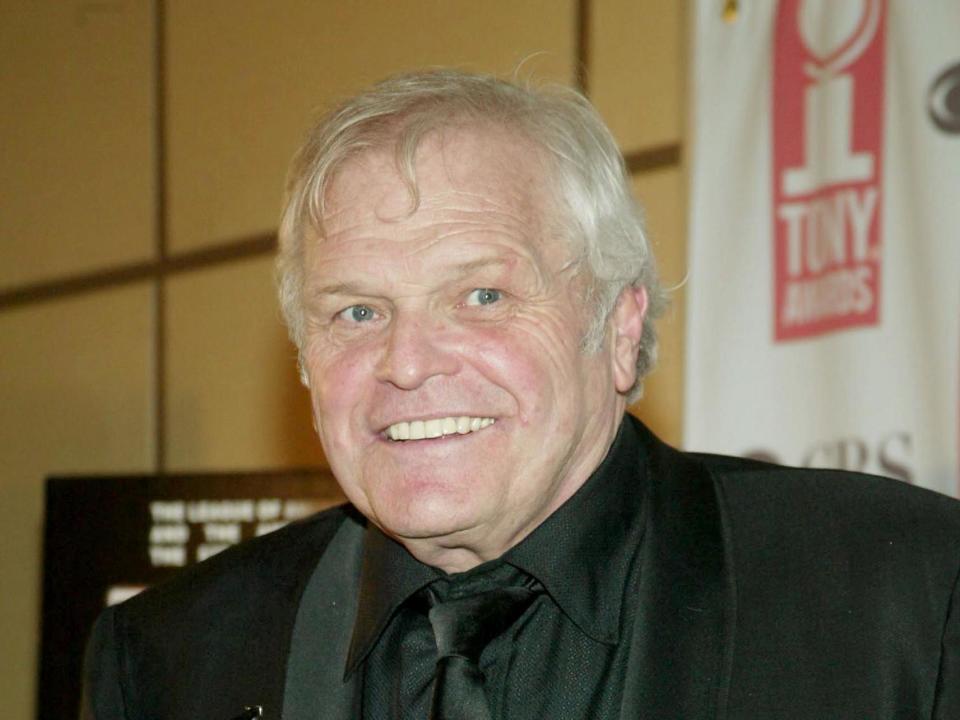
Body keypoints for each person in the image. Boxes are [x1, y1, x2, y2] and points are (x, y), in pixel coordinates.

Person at [82, 70, 960, 720]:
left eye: (483, 296)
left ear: (618, 330)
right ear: (305, 360)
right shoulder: (170, 659)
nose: (407, 363)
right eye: (356, 310)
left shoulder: (909, 594)